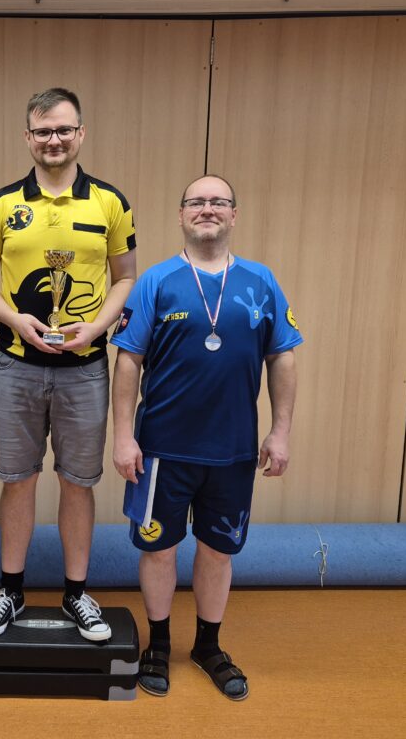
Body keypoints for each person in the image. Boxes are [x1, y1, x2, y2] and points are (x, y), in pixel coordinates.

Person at [110, 174, 301, 699]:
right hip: (161, 451)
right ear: (181, 214)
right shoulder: (156, 281)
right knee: (159, 550)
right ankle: (158, 644)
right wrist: (123, 436)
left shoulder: (261, 280)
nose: (207, 209)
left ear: (234, 214)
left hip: (233, 451)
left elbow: (282, 357)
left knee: (218, 551)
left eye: (219, 202)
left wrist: (280, 432)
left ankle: (208, 646)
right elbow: (128, 361)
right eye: (197, 202)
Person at [0, 87, 137, 641]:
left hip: (85, 369)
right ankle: (10, 591)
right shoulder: (0, 206)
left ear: (80, 133)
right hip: (15, 366)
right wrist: (16, 320)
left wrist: (99, 327)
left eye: (64, 129)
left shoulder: (110, 203)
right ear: (28, 137)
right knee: (18, 480)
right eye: (43, 131)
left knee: (77, 483)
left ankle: (76, 593)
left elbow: (126, 278)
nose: (54, 140)